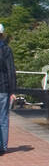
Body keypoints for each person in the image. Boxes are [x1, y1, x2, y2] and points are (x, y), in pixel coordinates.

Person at [0, 24, 15, 156]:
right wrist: (13, 90)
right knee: (3, 118)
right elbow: (11, 70)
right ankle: (3, 147)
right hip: (3, 88)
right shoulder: (6, 49)